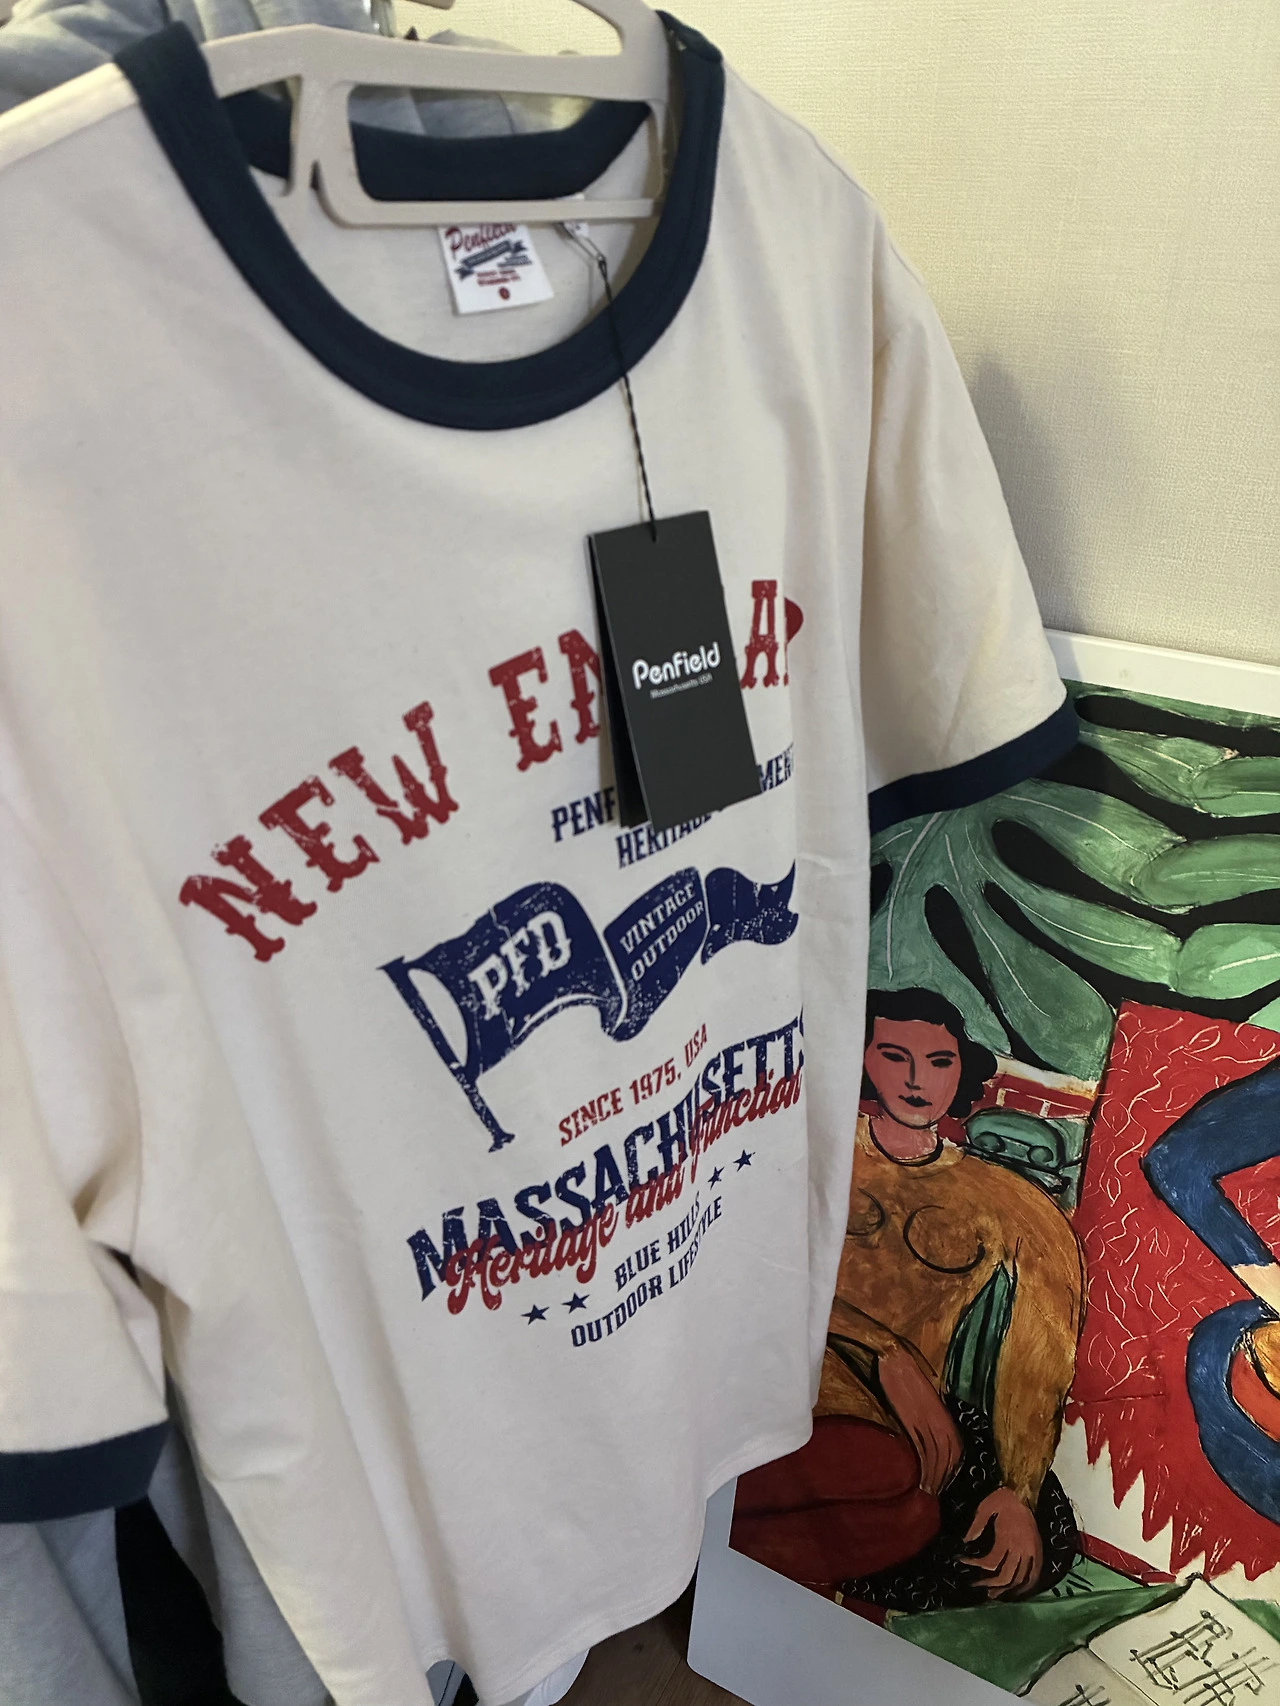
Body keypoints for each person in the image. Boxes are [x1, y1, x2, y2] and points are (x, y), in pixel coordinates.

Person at [732, 988, 1085, 1612]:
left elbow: (1040, 1366)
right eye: (895, 1056)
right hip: (794, 1383)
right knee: (887, 1478)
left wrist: (1019, 1492)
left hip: (912, 1434)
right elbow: (748, 1269)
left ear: (962, 1071)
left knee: (986, 1529)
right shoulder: (815, 1148)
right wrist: (882, 1350)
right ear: (864, 1058)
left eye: (940, 1062)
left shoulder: (1012, 1204)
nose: (918, 1080)